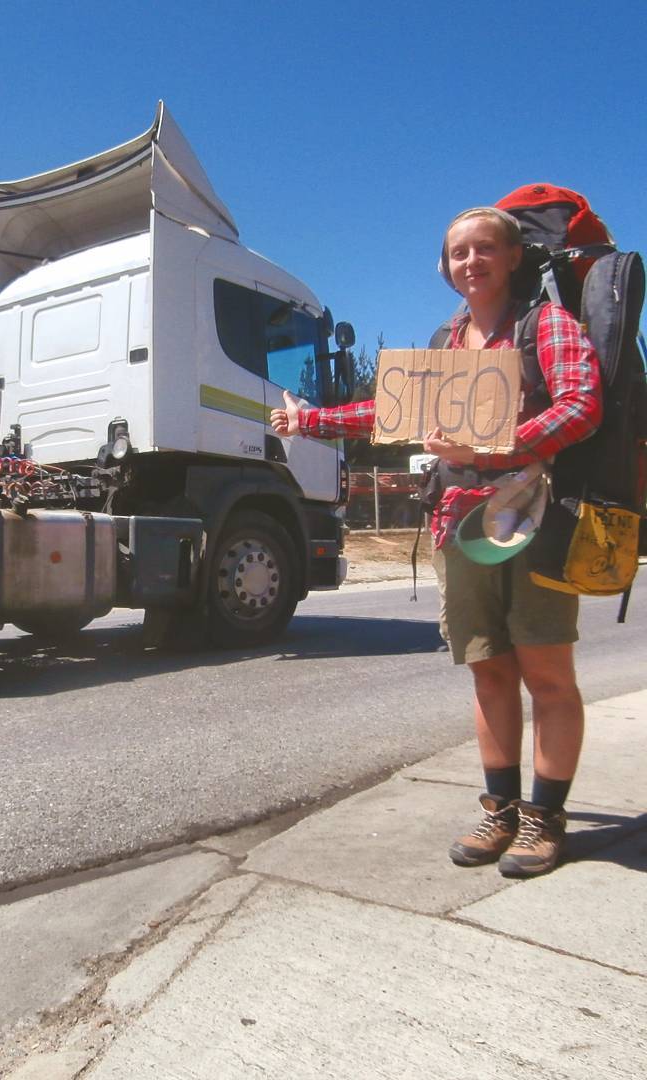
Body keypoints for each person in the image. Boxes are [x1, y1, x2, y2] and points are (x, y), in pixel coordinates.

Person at [271, 206, 602, 877]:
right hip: (460, 524)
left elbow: (581, 404)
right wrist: (312, 422)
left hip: (532, 521)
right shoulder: (445, 343)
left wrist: (494, 446)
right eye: (457, 253)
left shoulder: (547, 325)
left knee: (547, 676)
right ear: (446, 268)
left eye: (485, 249)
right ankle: (500, 810)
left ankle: (545, 820)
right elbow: (389, 412)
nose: (471, 262)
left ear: (513, 257)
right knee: (488, 672)